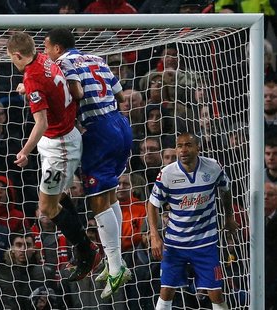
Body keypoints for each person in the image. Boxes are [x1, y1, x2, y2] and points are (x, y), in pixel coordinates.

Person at [44, 28, 134, 298]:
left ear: (57, 48)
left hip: (98, 130)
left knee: (97, 199)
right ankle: (114, 261)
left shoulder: (62, 63)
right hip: (120, 123)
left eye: (46, 48)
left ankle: (117, 268)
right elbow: (120, 96)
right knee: (110, 194)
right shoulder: (97, 58)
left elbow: (77, 92)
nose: (45, 53)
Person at [7, 31, 101, 283]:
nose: (13, 63)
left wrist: (24, 151)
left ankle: (86, 251)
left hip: (59, 146)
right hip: (62, 138)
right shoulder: (45, 60)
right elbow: (51, 86)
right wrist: (27, 87)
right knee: (58, 197)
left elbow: (40, 123)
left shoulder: (33, 77)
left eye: (12, 59)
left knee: (47, 207)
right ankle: (81, 244)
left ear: (18, 55)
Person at [147, 132, 237, 310]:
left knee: (216, 292)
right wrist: (154, 235)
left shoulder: (213, 167)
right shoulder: (167, 174)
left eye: (188, 145)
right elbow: (152, 204)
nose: (183, 150)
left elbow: (226, 190)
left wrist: (229, 216)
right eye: (179, 146)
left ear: (198, 148)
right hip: (175, 244)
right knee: (166, 291)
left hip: (206, 243)